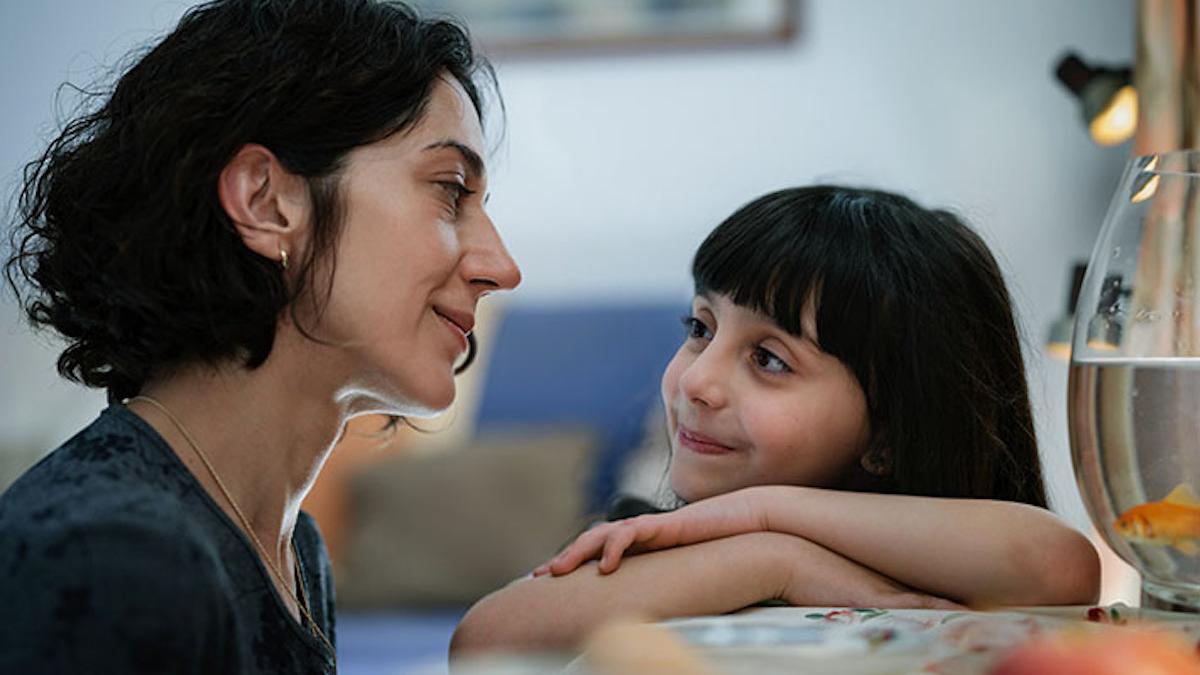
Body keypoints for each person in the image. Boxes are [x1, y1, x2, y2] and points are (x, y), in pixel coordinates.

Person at [1, 1, 520, 673]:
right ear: (266, 202)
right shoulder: (110, 559)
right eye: (451, 191)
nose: (501, 266)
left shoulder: (291, 549)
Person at [450, 186, 1099, 656]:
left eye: (768, 358)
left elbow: (1061, 563)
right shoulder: (654, 545)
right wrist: (774, 558)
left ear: (888, 436)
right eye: (700, 328)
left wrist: (768, 511)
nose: (697, 380)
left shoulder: (954, 567)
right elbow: (486, 639)